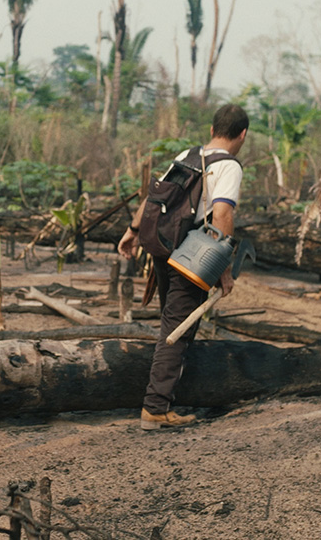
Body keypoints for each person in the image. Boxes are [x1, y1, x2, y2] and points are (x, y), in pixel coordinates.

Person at [117, 104, 249, 430]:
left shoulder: (188, 154)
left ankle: (168, 393)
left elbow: (154, 198)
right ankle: (155, 408)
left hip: (163, 248)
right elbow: (222, 216)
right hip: (193, 257)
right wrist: (223, 269)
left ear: (212, 129)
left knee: (172, 323)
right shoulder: (229, 167)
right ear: (243, 134)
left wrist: (133, 232)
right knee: (175, 331)